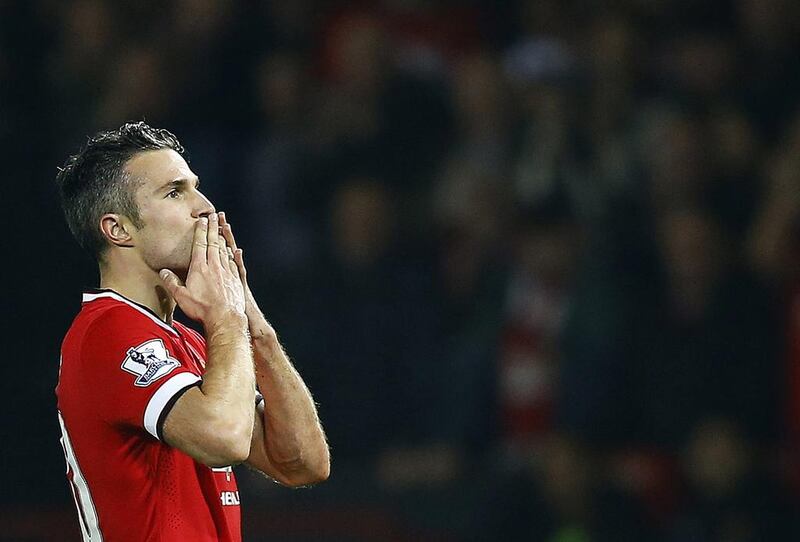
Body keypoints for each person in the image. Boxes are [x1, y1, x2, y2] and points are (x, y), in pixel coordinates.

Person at [54, 121, 330, 541]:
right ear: (118, 230)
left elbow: (304, 463)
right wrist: (228, 320)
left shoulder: (198, 342)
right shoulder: (105, 330)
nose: (204, 206)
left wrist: (256, 329)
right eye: (174, 192)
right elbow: (224, 438)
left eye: (195, 187)